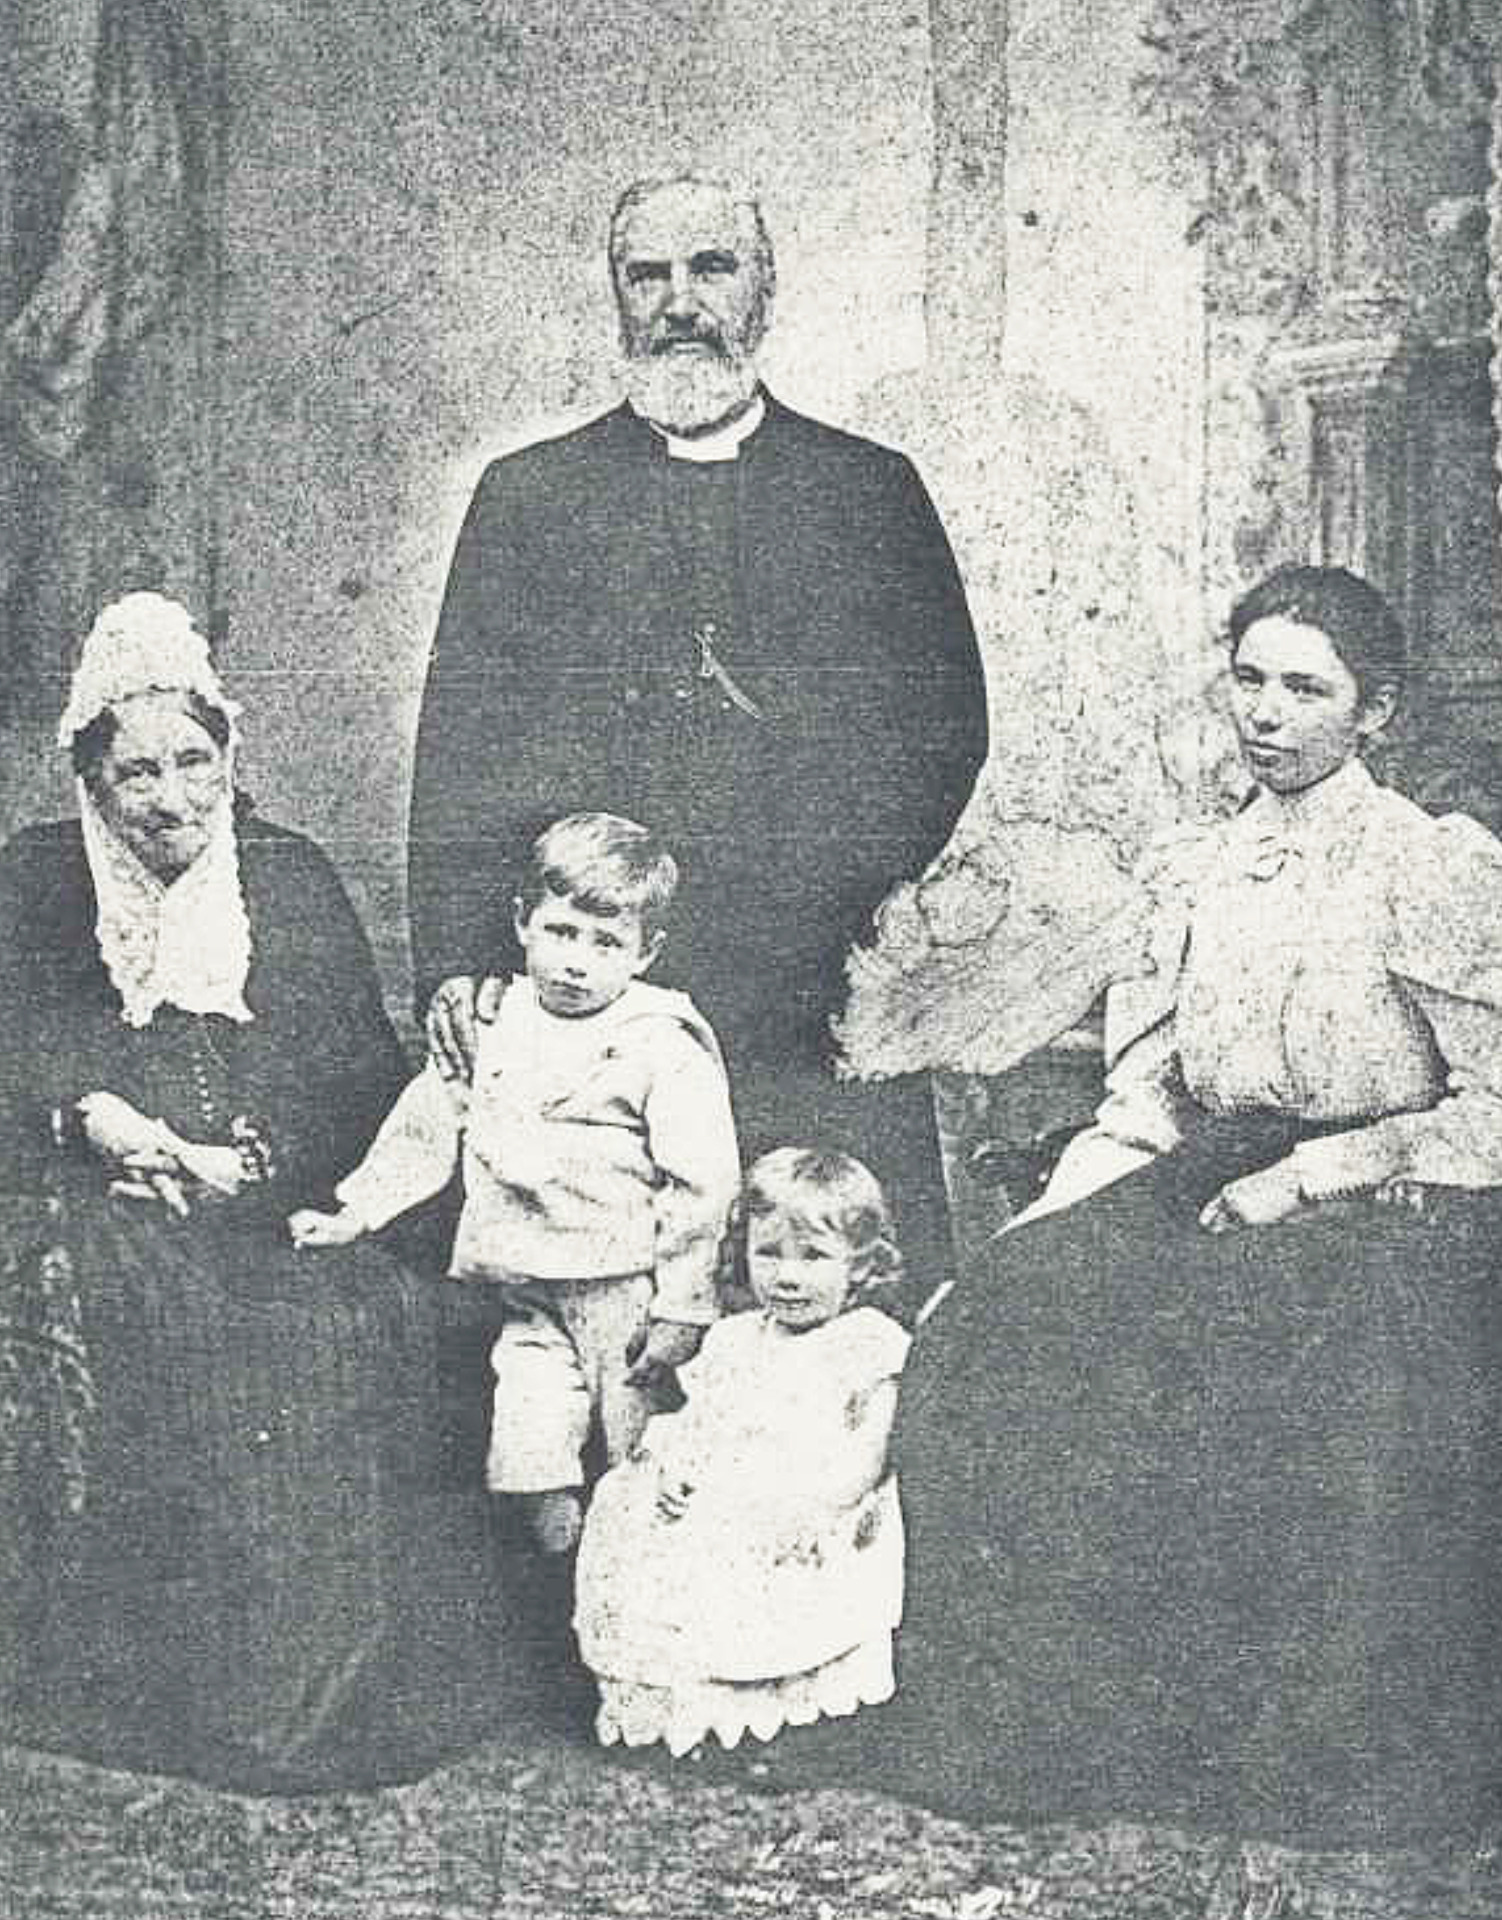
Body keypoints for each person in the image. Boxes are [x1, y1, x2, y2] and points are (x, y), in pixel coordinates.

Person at [887, 565, 1502, 1845]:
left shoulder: (1430, 867)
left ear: (1376, 715)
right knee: (1005, 1319)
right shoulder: (1191, 868)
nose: (1268, 715)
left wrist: (1312, 1175)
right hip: (1212, 1160)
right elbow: (1145, 1097)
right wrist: (1043, 1234)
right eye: (1250, 678)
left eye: (1308, 689)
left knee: (1266, 1338)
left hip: (1400, 1188)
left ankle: (1270, 1749)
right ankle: (1069, 1730)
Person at [409, 173, 988, 1314]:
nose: (680, 302)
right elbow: (461, 746)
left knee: (820, 1322)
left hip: (803, 978)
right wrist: (464, 959)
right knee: (583, 1334)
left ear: (761, 289)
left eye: (710, 269)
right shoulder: (530, 497)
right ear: (616, 295)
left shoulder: (867, 492)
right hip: (596, 984)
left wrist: (826, 891)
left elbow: (942, 727)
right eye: (649, 274)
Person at [0, 592, 521, 1792]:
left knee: (340, 1318)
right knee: (181, 1322)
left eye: (194, 761)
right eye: (137, 775)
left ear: (231, 758)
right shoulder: (34, 880)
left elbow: (352, 1071)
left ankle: (322, 1688)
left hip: (269, 1187)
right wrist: (90, 1117)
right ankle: (181, 1688)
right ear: (92, 781)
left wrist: (248, 1162)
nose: (172, 799)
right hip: (81, 1189)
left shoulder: (285, 878)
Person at [292, 811, 740, 1556]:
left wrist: (684, 1303)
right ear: (523, 921)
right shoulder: (498, 1019)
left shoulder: (660, 1040)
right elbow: (428, 1124)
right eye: (562, 932)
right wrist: (356, 1212)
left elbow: (703, 1183)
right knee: (529, 1430)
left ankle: (649, 1563)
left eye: (606, 944)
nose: (576, 963)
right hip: (526, 1284)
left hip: (620, 1284)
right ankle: (558, 1546)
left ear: (646, 952)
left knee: (643, 1437)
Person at [574, 1148, 911, 1757]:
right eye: (769, 1253)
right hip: (728, 1486)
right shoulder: (734, 1341)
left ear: (859, 1267)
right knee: (626, 1502)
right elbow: (701, 1421)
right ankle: (683, 1710)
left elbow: (870, 1451)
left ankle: (771, 1720)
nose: (787, 1276)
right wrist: (676, 1466)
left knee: (740, 1540)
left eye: (813, 1257)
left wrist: (816, 1507)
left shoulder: (864, 1345)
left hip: (810, 1496)